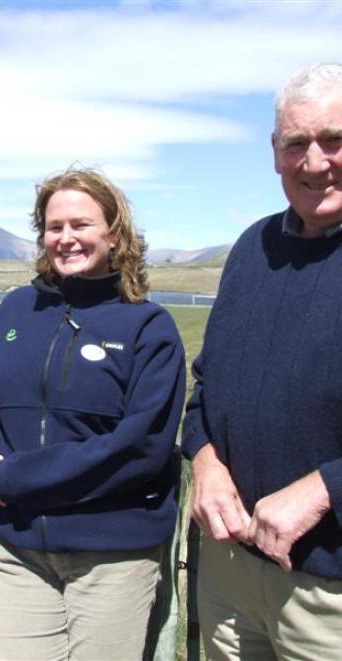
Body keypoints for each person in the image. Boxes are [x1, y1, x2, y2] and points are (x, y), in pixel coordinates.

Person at [0, 167, 186, 661]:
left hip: (110, 552)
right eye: (54, 226)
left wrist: (14, 477)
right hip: (14, 546)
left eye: (81, 225)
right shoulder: (17, 309)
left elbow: (141, 447)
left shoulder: (148, 326)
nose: (66, 238)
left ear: (114, 233)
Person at [182, 62, 342, 660]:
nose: (316, 161)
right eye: (297, 143)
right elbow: (207, 385)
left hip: (329, 589)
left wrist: (325, 488)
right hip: (230, 570)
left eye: (335, 140)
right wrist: (203, 460)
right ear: (276, 153)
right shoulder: (253, 248)